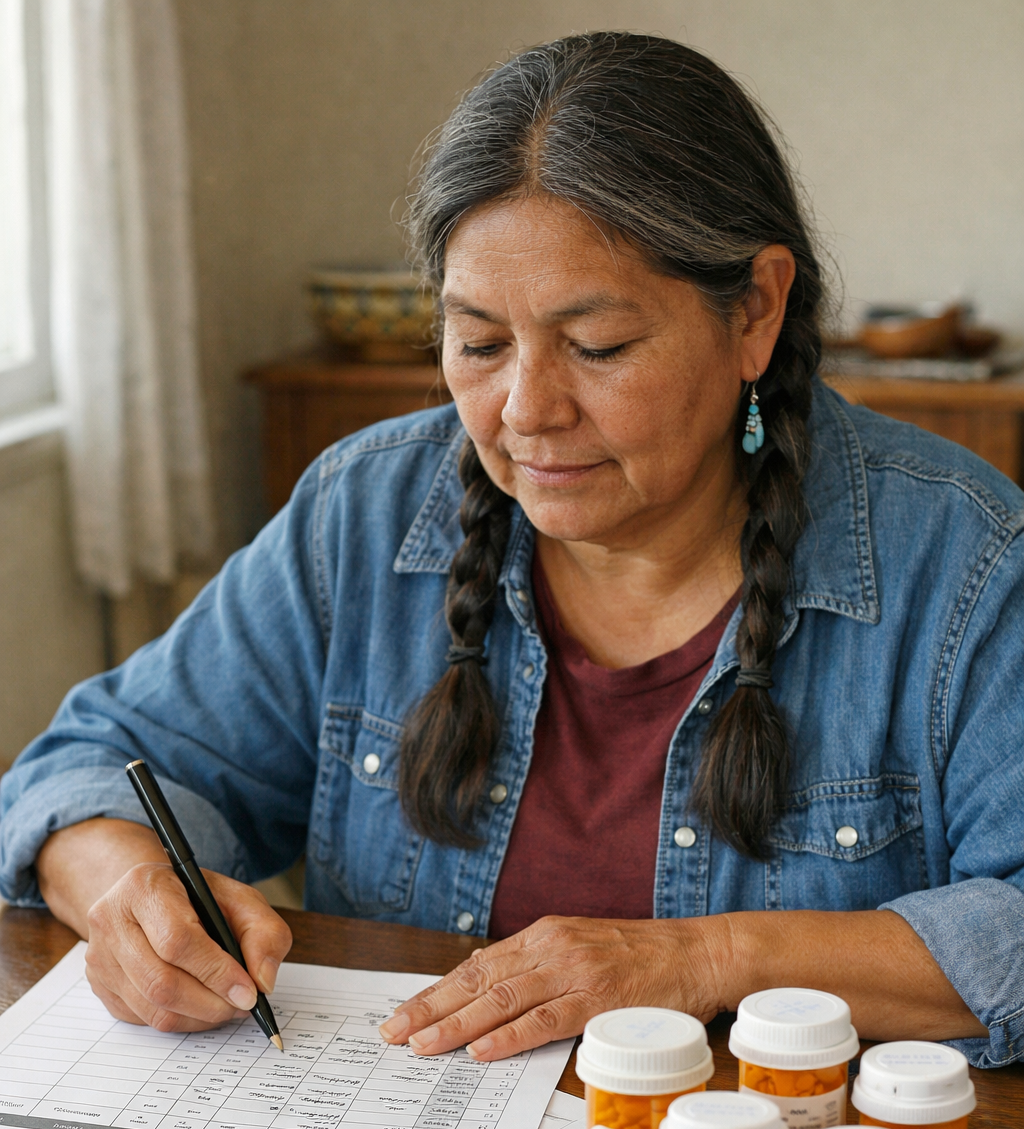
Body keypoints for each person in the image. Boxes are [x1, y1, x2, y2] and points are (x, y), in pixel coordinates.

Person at [1, 34, 1021, 1070]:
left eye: (599, 347)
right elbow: (83, 769)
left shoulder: (962, 562)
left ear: (753, 311)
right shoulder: (367, 512)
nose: (525, 411)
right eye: (478, 343)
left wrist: (702, 959)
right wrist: (127, 891)